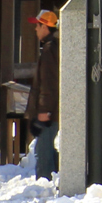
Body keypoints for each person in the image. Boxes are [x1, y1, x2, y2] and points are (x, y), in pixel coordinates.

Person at [28, 10, 60, 180]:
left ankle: (45, 184)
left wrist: (44, 111)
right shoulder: (54, 47)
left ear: (45, 27)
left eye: (37, 25)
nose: (35, 29)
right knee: (47, 147)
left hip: (49, 112)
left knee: (43, 150)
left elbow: (48, 83)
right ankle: (54, 179)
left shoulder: (49, 50)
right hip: (52, 110)